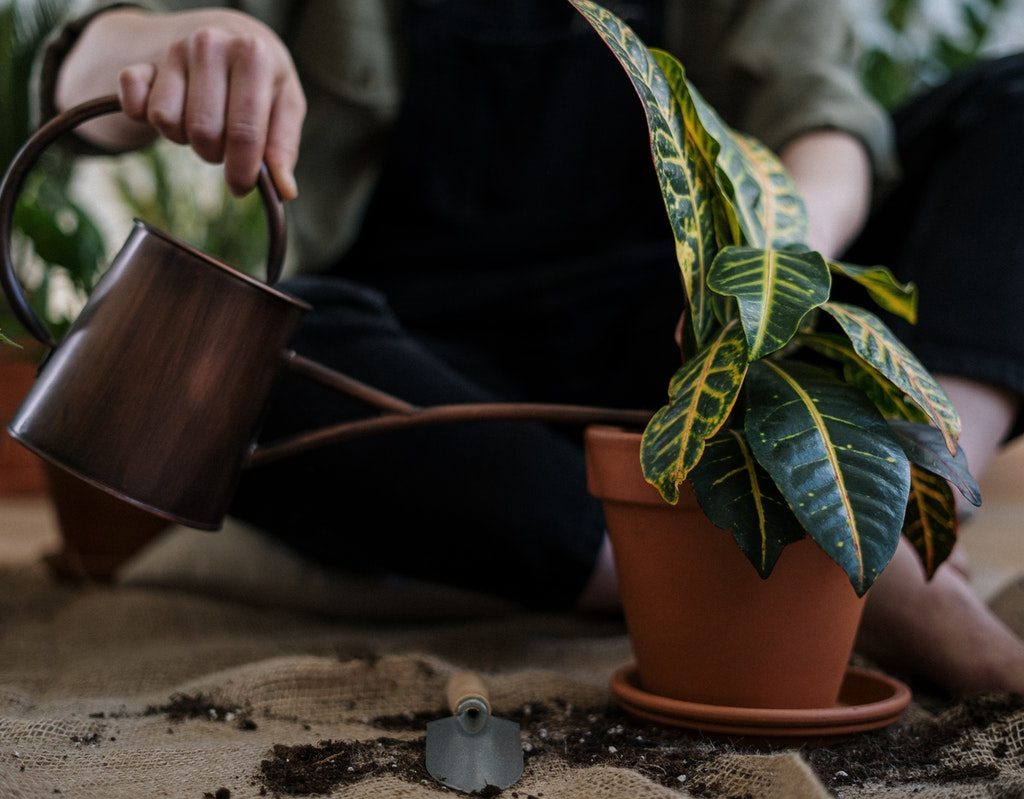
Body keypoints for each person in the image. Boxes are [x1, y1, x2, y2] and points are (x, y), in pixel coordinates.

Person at [42, 0, 1024, 695]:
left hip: (687, 334)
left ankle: (909, 500)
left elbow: (823, 119)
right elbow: (79, 70)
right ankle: (724, 566)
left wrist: (763, 272)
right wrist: (181, 43)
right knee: (240, 368)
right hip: (425, 353)